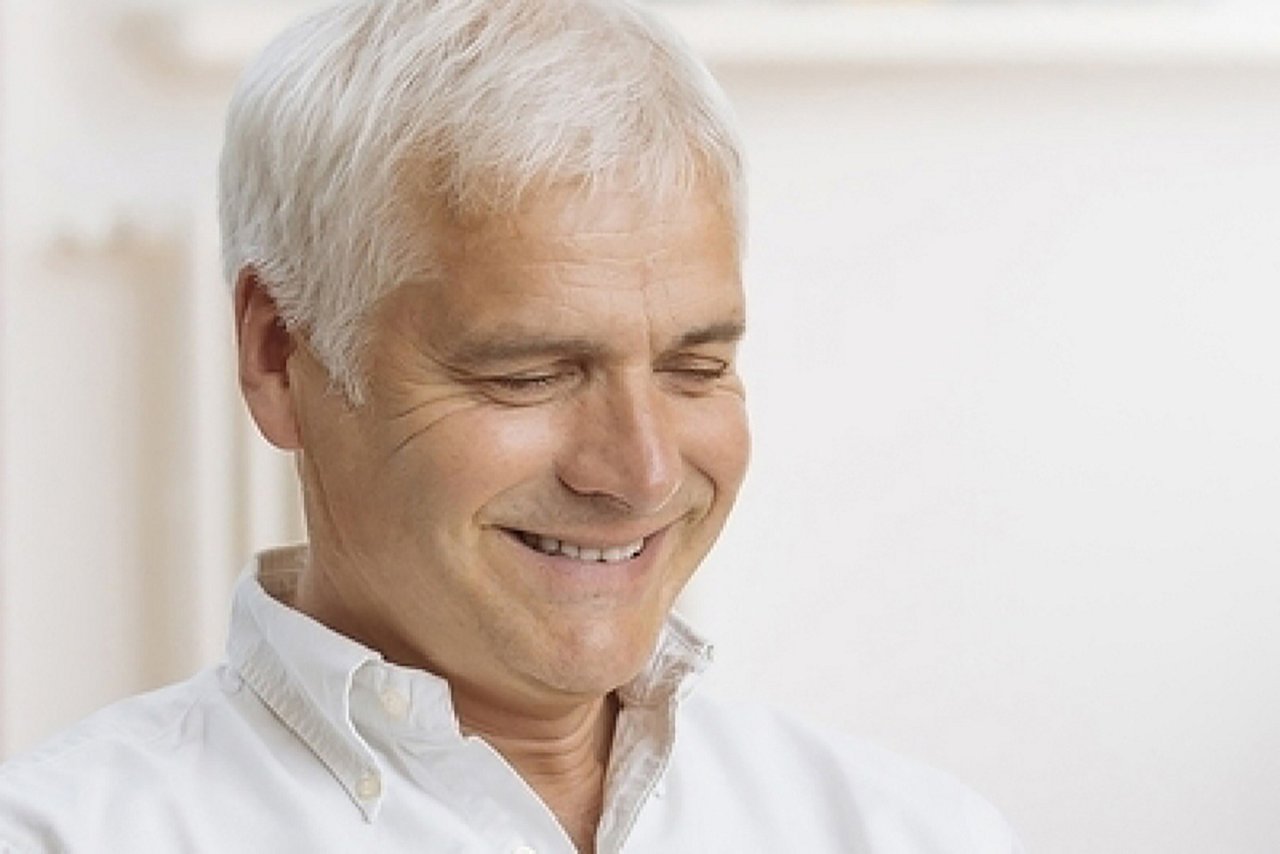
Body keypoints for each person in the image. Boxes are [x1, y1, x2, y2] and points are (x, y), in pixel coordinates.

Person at [0, 0, 1023, 851]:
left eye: (694, 367)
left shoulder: (910, 831)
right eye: (529, 375)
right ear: (280, 353)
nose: (642, 469)